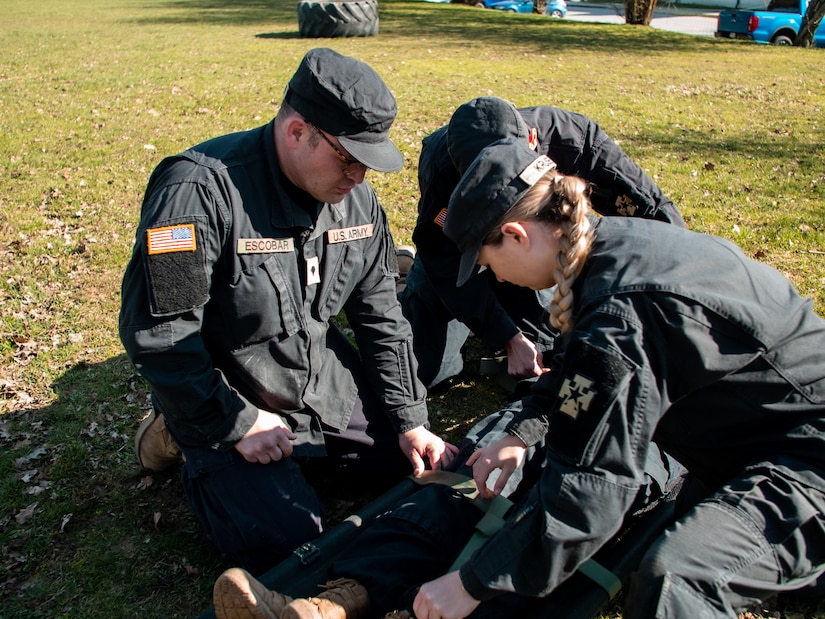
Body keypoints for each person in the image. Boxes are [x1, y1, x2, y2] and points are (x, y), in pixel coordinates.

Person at [210, 137, 825, 619]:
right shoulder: (612, 254)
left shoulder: (621, 310)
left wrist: (473, 583)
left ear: (514, 234)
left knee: (679, 573)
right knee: (492, 488)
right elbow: (584, 384)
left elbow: (592, 492)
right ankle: (342, 599)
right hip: (734, 440)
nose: (495, 280)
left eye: (487, 263)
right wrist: (524, 430)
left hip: (802, 462)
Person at [119, 48, 457, 574]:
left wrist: (411, 419)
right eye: (348, 158)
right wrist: (233, 422)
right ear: (298, 131)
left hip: (316, 376)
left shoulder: (358, 203)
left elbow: (383, 320)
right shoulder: (195, 193)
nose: (359, 178)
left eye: (368, 163)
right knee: (292, 546)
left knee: (405, 463)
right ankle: (175, 431)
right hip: (224, 389)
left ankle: (299, 447)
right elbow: (162, 336)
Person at [399, 96, 686, 389]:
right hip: (467, 257)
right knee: (424, 370)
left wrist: (673, 304)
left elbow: (654, 217)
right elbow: (441, 255)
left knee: (546, 349)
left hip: (529, 255)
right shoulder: (443, 162)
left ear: (533, 140)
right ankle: (407, 281)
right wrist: (505, 335)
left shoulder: (574, 141)